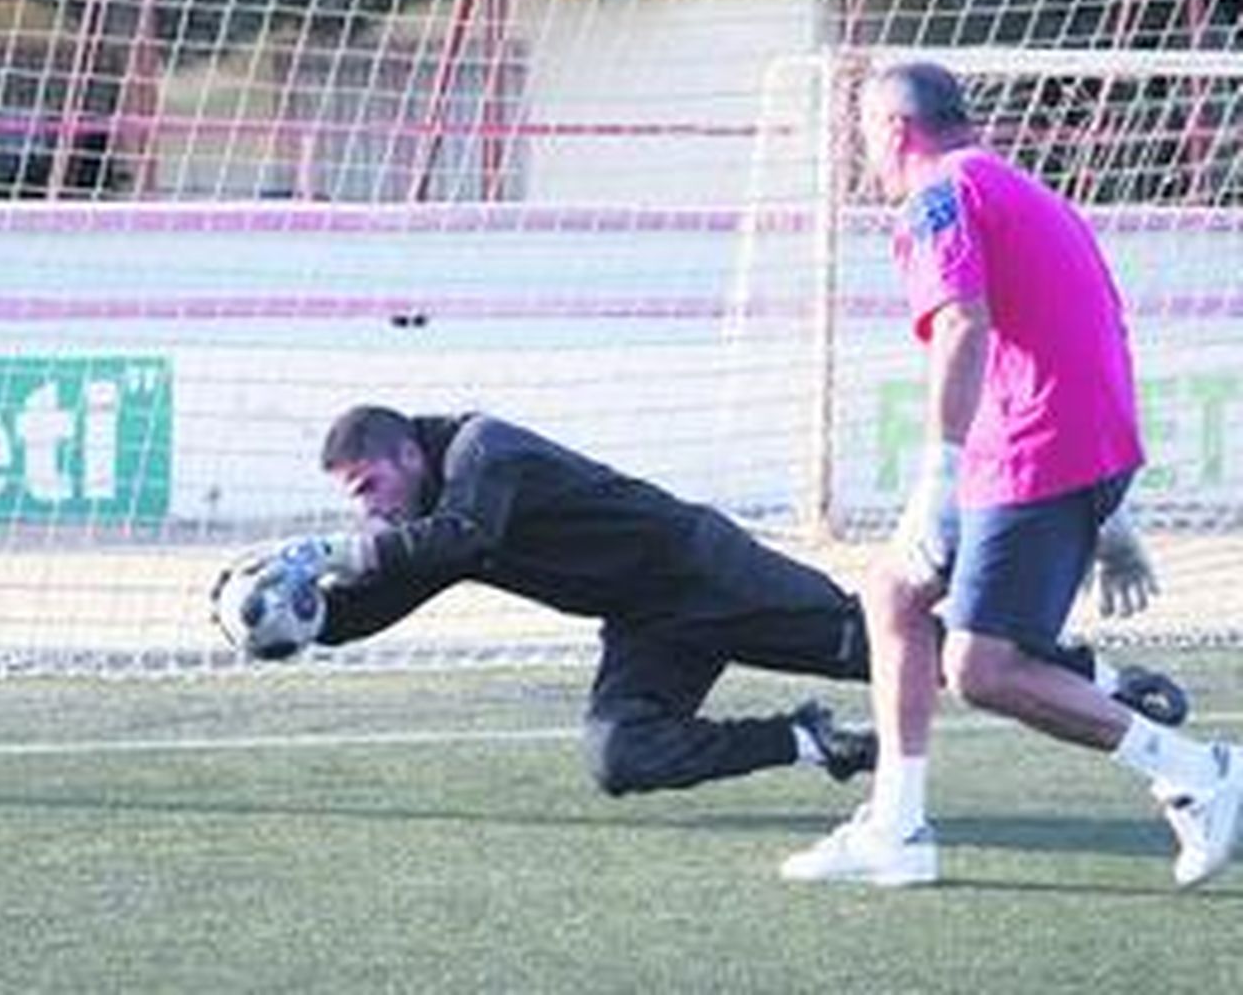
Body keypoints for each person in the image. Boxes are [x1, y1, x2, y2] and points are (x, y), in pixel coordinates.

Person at [221, 405, 1185, 802]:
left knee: (889, 650)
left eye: (368, 488)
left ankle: (1107, 683)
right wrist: (305, 621)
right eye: (356, 501)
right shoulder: (424, 516)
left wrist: (334, 553)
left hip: (704, 571)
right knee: (619, 758)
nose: (368, 509)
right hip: (648, 623)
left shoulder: (481, 452)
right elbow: (392, 585)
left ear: (404, 454)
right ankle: (809, 741)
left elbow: (458, 539)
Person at [780, 62, 1240, 889]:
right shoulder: (1018, 188)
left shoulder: (938, 197)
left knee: (982, 669)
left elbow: (965, 324)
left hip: (1034, 449)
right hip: (1063, 444)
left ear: (894, 129)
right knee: (893, 594)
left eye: (864, 132)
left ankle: (1199, 772)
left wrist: (938, 474)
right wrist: (1109, 508)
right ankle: (897, 828)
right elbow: (1087, 324)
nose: (863, 152)